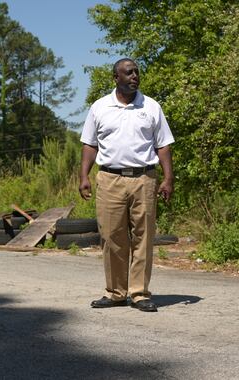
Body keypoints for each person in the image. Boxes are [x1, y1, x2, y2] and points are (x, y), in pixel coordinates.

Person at [79, 58, 174, 312]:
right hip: (109, 179)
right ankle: (116, 293)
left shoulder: (151, 107)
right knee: (112, 236)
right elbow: (89, 144)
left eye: (137, 72)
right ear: (116, 78)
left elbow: (163, 145)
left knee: (143, 236)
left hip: (144, 178)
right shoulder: (100, 107)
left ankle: (140, 293)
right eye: (129, 73)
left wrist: (168, 178)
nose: (135, 76)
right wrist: (84, 176)